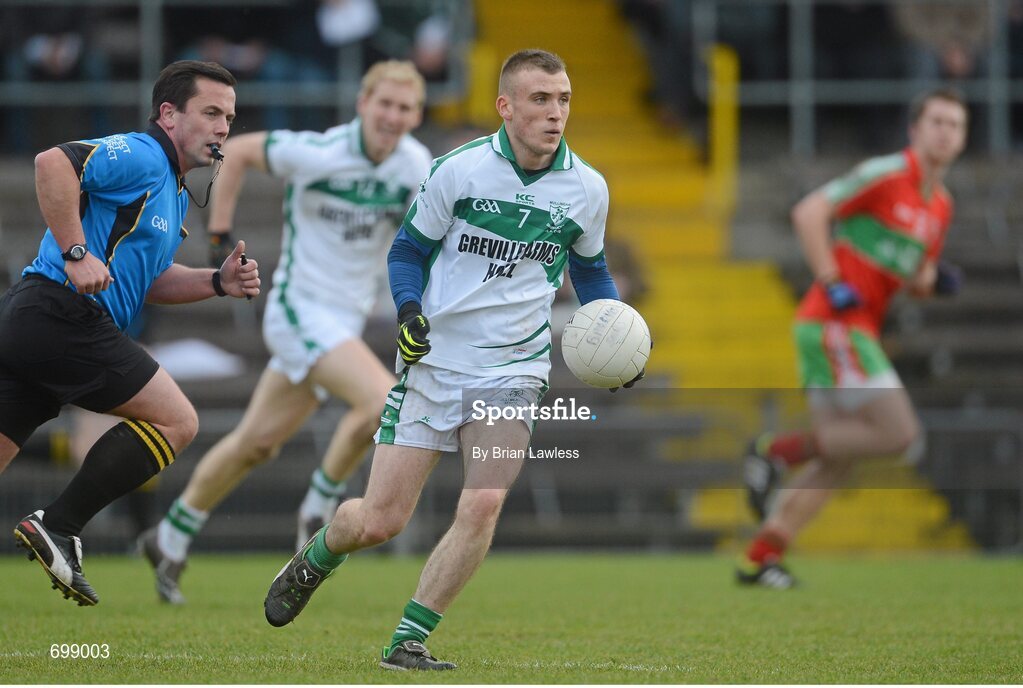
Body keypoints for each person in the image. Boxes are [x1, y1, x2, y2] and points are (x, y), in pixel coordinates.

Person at [261, 48, 643, 671]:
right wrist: (409, 313)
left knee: (483, 502)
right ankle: (317, 557)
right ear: (506, 105)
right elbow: (407, 252)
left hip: (515, 368)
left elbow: (591, 271)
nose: (555, 113)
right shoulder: (456, 171)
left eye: (564, 99)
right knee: (379, 520)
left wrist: (620, 335)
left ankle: (407, 640)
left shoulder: (588, 188)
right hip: (436, 362)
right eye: (541, 100)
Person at [138, 60, 433, 605]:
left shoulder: (416, 167)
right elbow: (243, 151)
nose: (393, 116)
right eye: (384, 103)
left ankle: (170, 535)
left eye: (405, 107)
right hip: (299, 311)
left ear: (417, 115)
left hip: (341, 323)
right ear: (362, 104)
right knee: (383, 400)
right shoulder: (319, 151)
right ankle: (319, 509)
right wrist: (219, 229)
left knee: (256, 444)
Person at [3, 60, 260, 606]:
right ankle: (61, 525)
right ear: (169, 115)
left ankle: (60, 527)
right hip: (61, 314)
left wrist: (218, 281)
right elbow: (54, 163)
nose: (222, 128)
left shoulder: (168, 188)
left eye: (230, 118)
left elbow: (149, 279)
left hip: (34, 322)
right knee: (177, 421)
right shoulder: (145, 155)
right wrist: (75, 252)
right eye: (210, 112)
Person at [738, 87, 968, 589]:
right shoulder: (887, 173)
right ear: (916, 130)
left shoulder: (941, 206)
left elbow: (912, 275)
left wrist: (936, 283)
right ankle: (774, 450)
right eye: (938, 122)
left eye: (956, 125)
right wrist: (830, 279)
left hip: (850, 329)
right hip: (835, 324)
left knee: (837, 461)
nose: (946, 133)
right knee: (901, 434)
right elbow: (809, 212)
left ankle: (761, 557)